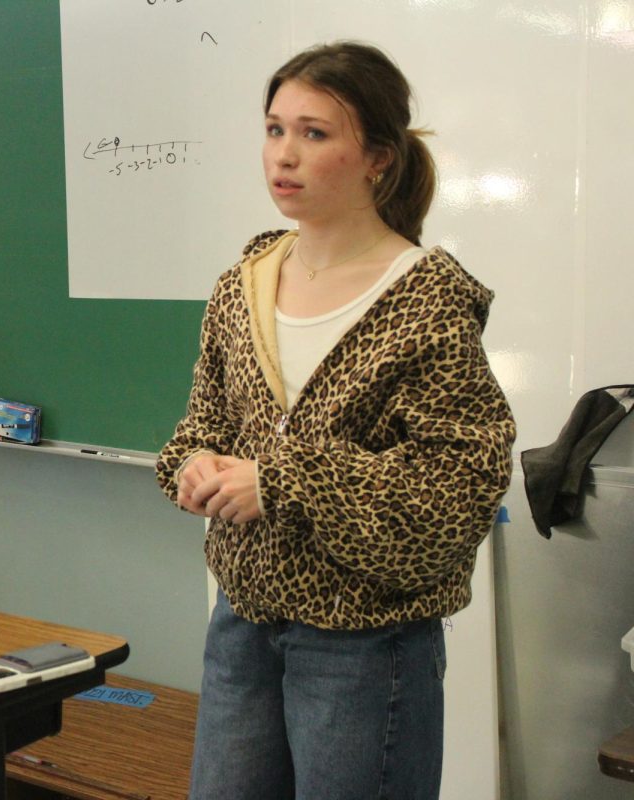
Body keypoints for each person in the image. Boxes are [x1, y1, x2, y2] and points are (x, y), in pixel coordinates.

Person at [155, 41, 515, 800]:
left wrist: (282, 482)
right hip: (242, 626)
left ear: (377, 157)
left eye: (315, 134)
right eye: (275, 129)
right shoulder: (243, 284)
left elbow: (457, 488)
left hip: (363, 644)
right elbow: (203, 427)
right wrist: (193, 465)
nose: (284, 155)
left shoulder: (425, 302)